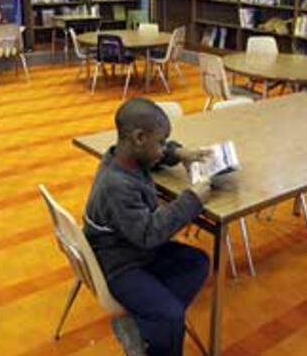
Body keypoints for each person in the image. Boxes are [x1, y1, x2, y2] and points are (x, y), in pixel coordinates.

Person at [83, 98, 212, 356]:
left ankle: (141, 325)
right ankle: (155, 336)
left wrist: (179, 153)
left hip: (130, 248)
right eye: (161, 142)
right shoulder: (116, 185)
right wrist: (193, 199)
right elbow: (150, 235)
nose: (163, 148)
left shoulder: (124, 156)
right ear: (139, 138)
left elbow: (155, 156)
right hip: (120, 265)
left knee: (197, 262)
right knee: (171, 315)